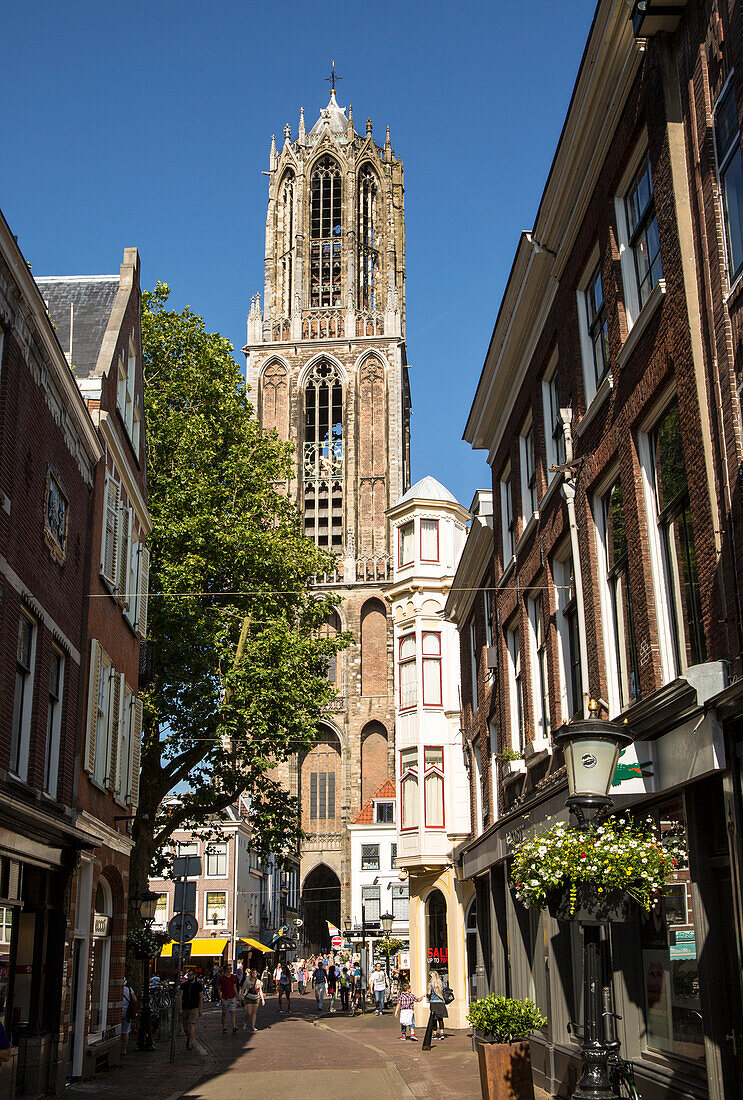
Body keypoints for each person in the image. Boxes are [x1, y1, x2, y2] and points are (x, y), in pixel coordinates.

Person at [421, 969, 447, 1050]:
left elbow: (429, 993)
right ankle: (442, 1033)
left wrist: (427, 996)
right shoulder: (442, 983)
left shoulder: (430, 984)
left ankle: (435, 1033)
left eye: (429, 976)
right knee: (440, 1018)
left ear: (431, 977)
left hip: (433, 1002)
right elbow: (444, 991)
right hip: (441, 1002)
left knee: (434, 1018)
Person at [180, 967, 203, 1051]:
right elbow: (180, 996)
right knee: (185, 1027)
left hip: (194, 1007)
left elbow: (201, 997)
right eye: (188, 975)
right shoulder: (184, 985)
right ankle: (190, 1037)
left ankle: (190, 1043)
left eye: (190, 975)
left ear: (194, 975)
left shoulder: (198, 985)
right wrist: (180, 1008)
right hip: (185, 1007)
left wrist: (200, 1009)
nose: (189, 977)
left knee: (191, 1024)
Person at [219, 962, 239, 1034]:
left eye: (231, 968)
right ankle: (224, 1027)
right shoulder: (221, 978)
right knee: (224, 1013)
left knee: (233, 1012)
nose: (230, 970)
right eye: (228, 969)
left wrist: (237, 995)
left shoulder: (233, 977)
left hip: (232, 996)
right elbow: (219, 988)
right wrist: (220, 996)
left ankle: (234, 1026)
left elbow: (234, 986)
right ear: (225, 970)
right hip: (225, 997)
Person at [121, 980, 138, 1055]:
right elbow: (135, 999)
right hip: (127, 1012)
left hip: (119, 1011)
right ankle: (124, 1049)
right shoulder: (129, 989)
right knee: (126, 1031)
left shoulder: (118, 988)